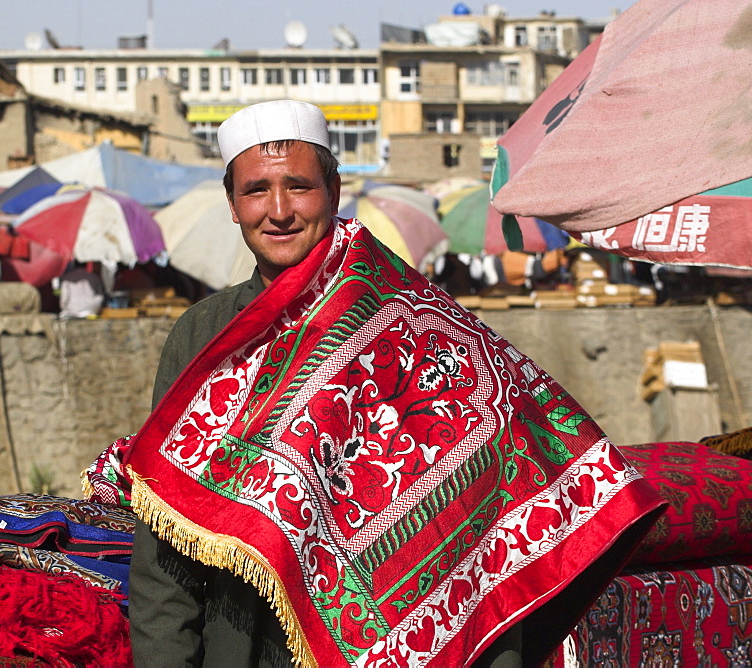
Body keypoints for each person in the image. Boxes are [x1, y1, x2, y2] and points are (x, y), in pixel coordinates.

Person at [86, 100, 663, 667]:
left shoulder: (420, 323)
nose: (279, 210)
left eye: (299, 187)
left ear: (334, 193)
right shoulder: (205, 335)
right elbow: (165, 546)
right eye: (257, 190)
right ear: (233, 206)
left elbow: (483, 517)